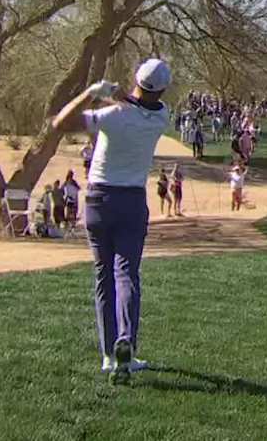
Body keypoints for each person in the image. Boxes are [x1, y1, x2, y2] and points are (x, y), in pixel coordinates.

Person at [51, 58, 172, 383]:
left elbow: (60, 123)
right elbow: (138, 103)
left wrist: (93, 92)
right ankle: (127, 344)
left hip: (98, 201)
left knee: (103, 276)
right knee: (127, 274)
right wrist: (115, 95)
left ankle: (108, 354)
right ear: (162, 89)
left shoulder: (111, 116)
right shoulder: (162, 117)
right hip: (131, 200)